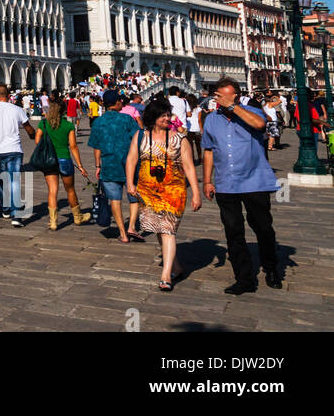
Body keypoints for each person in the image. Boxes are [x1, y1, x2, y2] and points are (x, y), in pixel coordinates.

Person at [202, 78, 281, 294]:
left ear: (235, 95)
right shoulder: (211, 120)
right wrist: (207, 180)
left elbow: (259, 125)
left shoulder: (251, 112)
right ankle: (244, 279)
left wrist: (233, 107)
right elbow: (208, 150)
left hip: (254, 180)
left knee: (263, 227)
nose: (219, 100)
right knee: (233, 231)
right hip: (226, 183)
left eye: (224, 96)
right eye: (217, 96)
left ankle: (271, 267)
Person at [125, 98, 201, 291]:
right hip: (148, 190)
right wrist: (130, 182)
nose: (167, 118)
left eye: (168, 114)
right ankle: (176, 266)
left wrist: (196, 193)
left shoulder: (179, 139)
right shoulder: (140, 136)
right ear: (153, 117)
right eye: (163, 115)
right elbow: (131, 160)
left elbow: (189, 167)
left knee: (168, 229)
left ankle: (166, 275)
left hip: (173, 190)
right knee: (158, 229)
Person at [87, 89, 141, 242]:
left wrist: (98, 165)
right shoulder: (126, 119)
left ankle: (123, 234)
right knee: (133, 195)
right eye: (120, 101)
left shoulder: (98, 122)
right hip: (130, 164)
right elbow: (138, 138)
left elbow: (96, 146)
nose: (122, 103)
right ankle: (131, 226)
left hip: (109, 164)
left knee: (115, 200)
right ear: (117, 103)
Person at [0, 84, 35, 227]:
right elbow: (29, 128)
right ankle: (16, 215)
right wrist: (33, 135)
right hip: (14, 150)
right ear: (7, 95)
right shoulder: (17, 109)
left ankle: (6, 208)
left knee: (2, 179)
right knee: (14, 181)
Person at [34, 98, 91, 230]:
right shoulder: (68, 125)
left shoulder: (43, 124)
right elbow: (73, 146)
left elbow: (37, 140)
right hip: (64, 159)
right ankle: (77, 217)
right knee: (70, 190)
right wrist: (80, 165)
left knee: (52, 191)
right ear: (63, 111)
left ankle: (53, 222)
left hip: (49, 160)